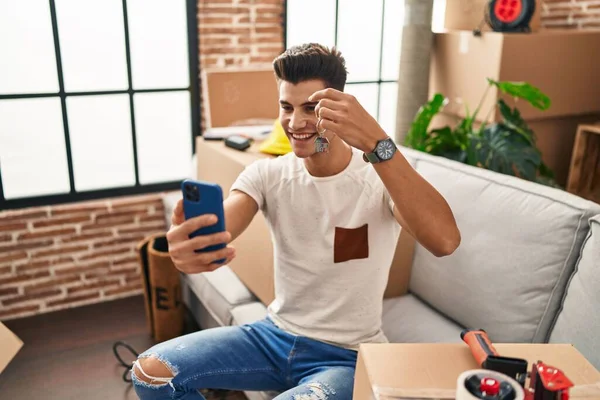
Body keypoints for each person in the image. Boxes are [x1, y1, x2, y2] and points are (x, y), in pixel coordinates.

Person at [131, 43, 461, 400]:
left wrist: (377, 142)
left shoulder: (378, 179)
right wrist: (193, 243)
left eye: (311, 108)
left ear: (340, 108)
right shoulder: (269, 174)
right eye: (286, 107)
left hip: (347, 356)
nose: (296, 122)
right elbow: (227, 221)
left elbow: (445, 241)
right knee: (149, 374)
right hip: (274, 336)